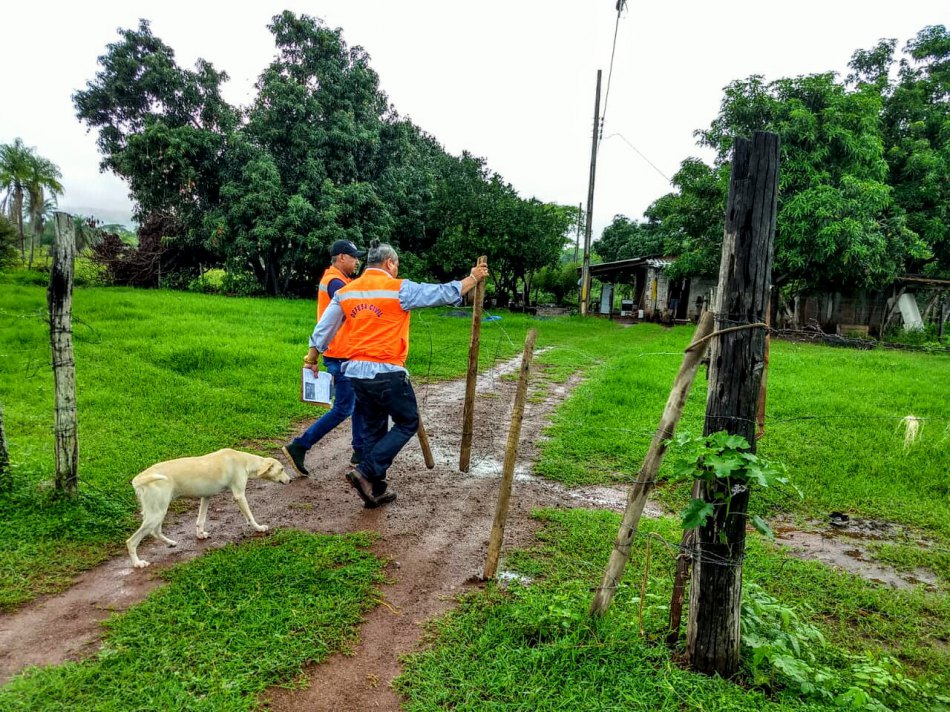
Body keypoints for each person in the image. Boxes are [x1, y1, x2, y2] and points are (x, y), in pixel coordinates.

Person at [306, 240, 489, 508]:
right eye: (397, 264)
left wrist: (312, 358)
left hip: (356, 372)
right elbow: (441, 293)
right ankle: (366, 472)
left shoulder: (348, 291)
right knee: (408, 421)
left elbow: (324, 328)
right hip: (387, 370)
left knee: (374, 429)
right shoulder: (398, 289)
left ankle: (375, 489)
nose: (397, 269)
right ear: (390, 262)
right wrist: (472, 278)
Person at [282, 239, 366, 478]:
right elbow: (352, 304)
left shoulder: (336, 279)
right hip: (340, 354)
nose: (357, 261)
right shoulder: (335, 282)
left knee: (358, 401)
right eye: (353, 257)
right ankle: (300, 445)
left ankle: (359, 451)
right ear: (341, 257)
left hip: (342, 352)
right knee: (343, 408)